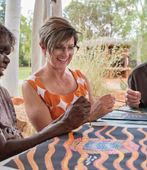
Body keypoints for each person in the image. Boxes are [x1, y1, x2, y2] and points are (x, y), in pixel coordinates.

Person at [0, 23, 91, 161]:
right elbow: (3, 150)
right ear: (43, 47)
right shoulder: (32, 85)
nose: (7, 60)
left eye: (7, 53)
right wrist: (65, 123)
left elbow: (15, 139)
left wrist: (66, 121)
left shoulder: (3, 94)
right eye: (1, 51)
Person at [22, 17, 115, 131]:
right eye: (59, 47)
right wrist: (90, 117)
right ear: (43, 47)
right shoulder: (32, 86)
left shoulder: (80, 78)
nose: (65, 54)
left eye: (70, 47)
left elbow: (94, 117)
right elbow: (46, 134)